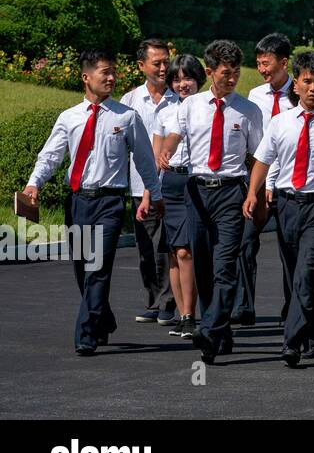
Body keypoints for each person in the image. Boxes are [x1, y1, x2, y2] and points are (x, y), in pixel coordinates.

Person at [22, 50, 160, 355]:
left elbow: (145, 160)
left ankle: (85, 334)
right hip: (78, 202)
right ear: (86, 77)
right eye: (104, 73)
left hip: (110, 203)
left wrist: (155, 194)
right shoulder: (69, 117)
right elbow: (51, 155)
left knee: (98, 267)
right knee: (82, 268)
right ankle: (102, 318)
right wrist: (34, 183)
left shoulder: (126, 117)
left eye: (113, 72)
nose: (111, 78)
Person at [245, 50, 314, 367]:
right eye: (307, 81)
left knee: (306, 273)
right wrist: (253, 193)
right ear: (296, 84)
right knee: (293, 276)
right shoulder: (280, 123)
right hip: (287, 205)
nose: (313, 88)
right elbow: (262, 161)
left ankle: (291, 342)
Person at [160, 40, 264, 364]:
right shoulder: (190, 106)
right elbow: (176, 132)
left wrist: (255, 193)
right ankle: (220, 331)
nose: (231, 78)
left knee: (225, 267)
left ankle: (209, 329)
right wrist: (168, 148)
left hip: (231, 192)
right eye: (225, 73)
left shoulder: (248, 110)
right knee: (202, 265)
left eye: (235, 73)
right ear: (209, 72)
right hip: (197, 190)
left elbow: (260, 156)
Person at [120, 38, 176, 327]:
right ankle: (153, 300)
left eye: (167, 61)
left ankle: (168, 302)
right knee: (145, 249)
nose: (164, 67)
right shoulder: (129, 101)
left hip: (170, 186)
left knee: (166, 245)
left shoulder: (179, 97)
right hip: (137, 185)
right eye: (157, 63)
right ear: (142, 66)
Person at [151, 54, 205, 338]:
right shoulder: (164, 111)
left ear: (199, 78)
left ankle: (191, 315)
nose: (182, 84)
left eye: (187, 78)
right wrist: (151, 192)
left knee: (187, 251)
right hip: (169, 184)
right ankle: (183, 315)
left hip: (194, 180)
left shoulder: (206, 107)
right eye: (176, 79)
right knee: (174, 252)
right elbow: (156, 153)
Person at [248, 32, 295, 323]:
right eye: (259, 64)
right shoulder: (255, 96)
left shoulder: (301, 93)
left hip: (291, 184)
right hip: (261, 182)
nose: (263, 70)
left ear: (284, 63)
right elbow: (258, 148)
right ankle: (244, 305)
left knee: (290, 250)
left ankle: (293, 306)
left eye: (267, 64)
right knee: (245, 243)